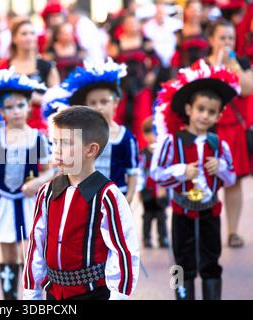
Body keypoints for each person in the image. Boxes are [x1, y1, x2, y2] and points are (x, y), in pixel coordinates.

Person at [23, 106, 140, 300]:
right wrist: (31, 293)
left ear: (91, 149)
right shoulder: (46, 192)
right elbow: (36, 245)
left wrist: (119, 296)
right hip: (53, 293)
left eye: (66, 143)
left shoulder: (108, 195)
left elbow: (123, 251)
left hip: (93, 294)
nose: (57, 150)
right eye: (55, 142)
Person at [151, 59, 239, 300]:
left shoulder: (220, 145)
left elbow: (231, 178)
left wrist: (220, 167)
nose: (205, 116)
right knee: (181, 262)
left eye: (211, 112)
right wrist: (180, 171)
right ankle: (182, 295)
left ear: (219, 115)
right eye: (200, 109)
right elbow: (156, 173)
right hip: (182, 210)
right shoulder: (172, 141)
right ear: (189, 109)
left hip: (211, 211)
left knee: (211, 259)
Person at [0, 69, 54, 300]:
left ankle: (32, 297)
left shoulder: (38, 138)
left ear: (30, 106)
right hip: (2, 202)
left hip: (29, 203)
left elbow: (52, 170)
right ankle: (9, 298)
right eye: (9, 107)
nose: (16, 111)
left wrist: (38, 182)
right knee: (8, 253)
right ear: (0, 111)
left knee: (30, 253)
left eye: (20, 105)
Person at [59, 59, 140, 204]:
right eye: (93, 103)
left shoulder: (125, 137)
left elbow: (132, 171)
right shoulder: (78, 134)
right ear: (85, 105)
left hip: (115, 197)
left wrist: (129, 198)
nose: (99, 107)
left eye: (104, 102)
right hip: (84, 197)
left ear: (115, 103)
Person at [205, 19, 253, 248]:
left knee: (233, 182)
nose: (227, 42)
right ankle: (209, 230)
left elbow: (247, 88)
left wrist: (232, 64)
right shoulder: (202, 64)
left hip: (234, 130)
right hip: (208, 129)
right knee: (207, 181)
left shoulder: (242, 63)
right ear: (212, 40)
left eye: (231, 38)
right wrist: (218, 65)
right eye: (222, 37)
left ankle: (233, 232)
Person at [0, 18, 60, 134]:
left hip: (42, 129)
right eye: (24, 34)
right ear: (14, 38)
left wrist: (36, 98)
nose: (29, 37)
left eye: (32, 33)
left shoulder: (47, 66)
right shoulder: (3, 67)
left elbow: (58, 101)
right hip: (10, 129)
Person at [109, 13, 160, 149]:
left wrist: (152, 74)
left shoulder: (145, 41)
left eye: (134, 23)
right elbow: (110, 63)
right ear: (123, 26)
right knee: (119, 117)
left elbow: (155, 61)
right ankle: (119, 147)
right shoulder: (116, 42)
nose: (132, 26)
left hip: (141, 85)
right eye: (129, 23)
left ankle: (143, 149)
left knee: (142, 118)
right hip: (122, 86)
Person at [139, 117, 169, 249]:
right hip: (148, 190)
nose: (154, 136)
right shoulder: (143, 154)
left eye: (157, 132)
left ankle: (163, 238)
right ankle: (147, 239)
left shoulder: (164, 153)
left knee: (161, 216)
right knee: (147, 216)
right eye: (151, 132)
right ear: (145, 135)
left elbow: (167, 170)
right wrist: (140, 189)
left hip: (161, 190)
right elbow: (140, 171)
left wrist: (165, 187)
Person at [171, 0, 209, 70]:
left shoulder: (206, 29)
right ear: (186, 11)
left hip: (204, 70)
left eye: (197, 10)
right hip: (184, 71)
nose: (195, 13)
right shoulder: (179, 32)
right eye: (192, 10)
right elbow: (175, 57)